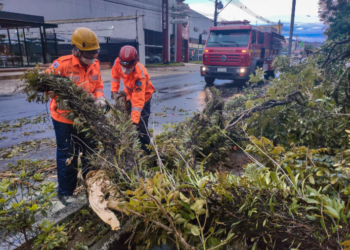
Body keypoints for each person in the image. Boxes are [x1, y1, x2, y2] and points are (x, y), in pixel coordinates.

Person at [45, 27, 107, 206]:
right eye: (88, 55)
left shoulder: (94, 64)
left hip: (86, 117)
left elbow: (98, 85)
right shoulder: (62, 64)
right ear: (77, 50)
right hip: (64, 118)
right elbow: (44, 83)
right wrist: (63, 97)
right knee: (68, 155)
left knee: (91, 150)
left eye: (93, 55)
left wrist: (100, 97)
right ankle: (65, 193)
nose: (91, 59)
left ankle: (91, 186)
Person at [111, 45, 155, 154]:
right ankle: (132, 148)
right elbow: (115, 77)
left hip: (144, 98)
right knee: (127, 122)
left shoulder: (140, 75)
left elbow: (138, 102)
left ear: (135, 63)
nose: (125, 70)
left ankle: (146, 152)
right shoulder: (117, 63)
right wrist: (114, 92)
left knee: (141, 127)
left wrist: (134, 122)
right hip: (130, 94)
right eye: (123, 66)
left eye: (129, 67)